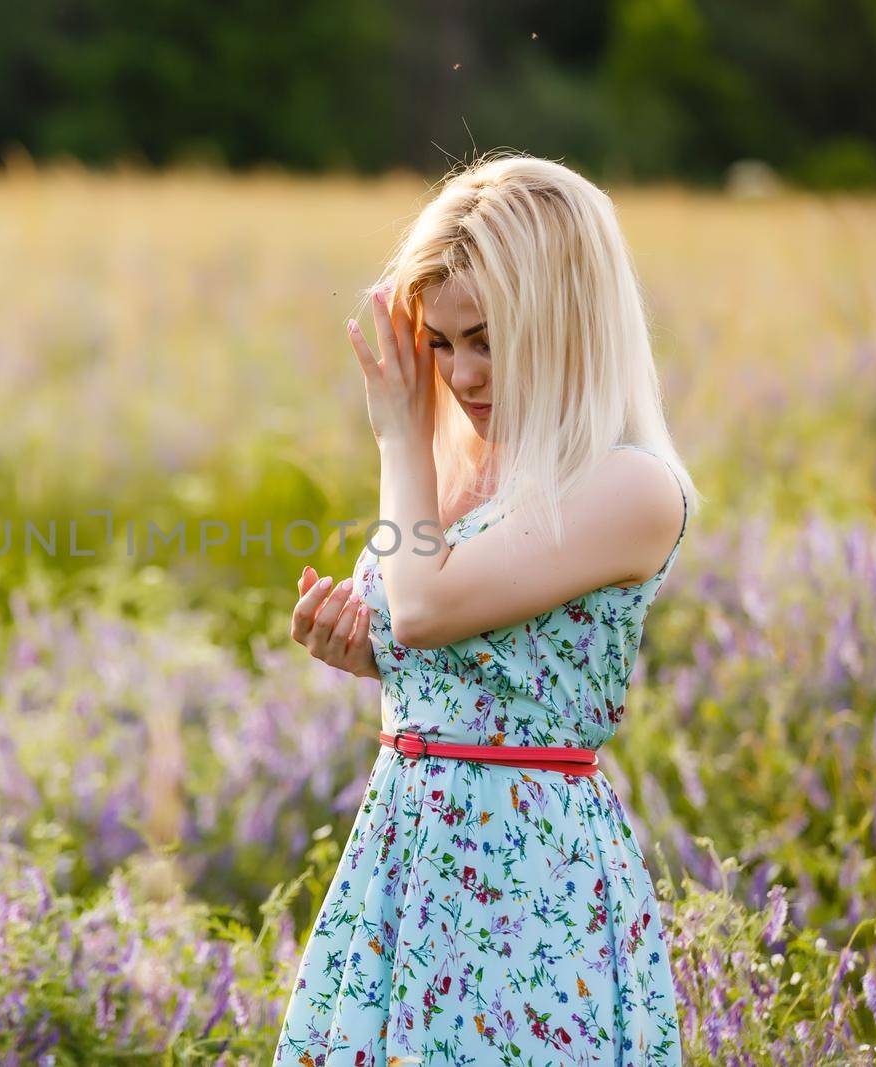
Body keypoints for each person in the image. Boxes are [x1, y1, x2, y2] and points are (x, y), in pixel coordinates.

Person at [274, 151, 697, 1066]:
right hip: (407, 854)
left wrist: (397, 430)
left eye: (489, 338)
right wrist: (363, 648)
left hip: (527, 878)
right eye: (441, 343)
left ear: (566, 321)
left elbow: (422, 606)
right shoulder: (464, 470)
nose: (461, 375)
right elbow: (437, 643)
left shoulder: (628, 486)